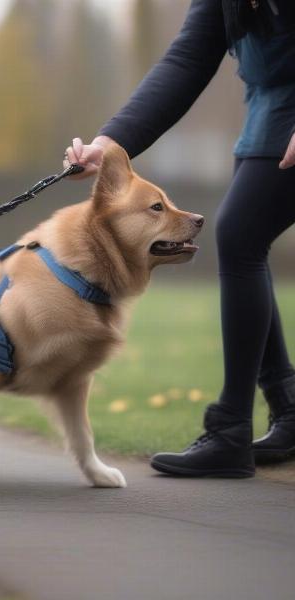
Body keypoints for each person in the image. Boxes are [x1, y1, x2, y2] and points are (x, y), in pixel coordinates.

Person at [63, 0, 295, 478]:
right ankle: (287, 411)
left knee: (239, 235)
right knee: (243, 242)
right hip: (271, 107)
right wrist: (108, 145)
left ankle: (231, 429)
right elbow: (188, 59)